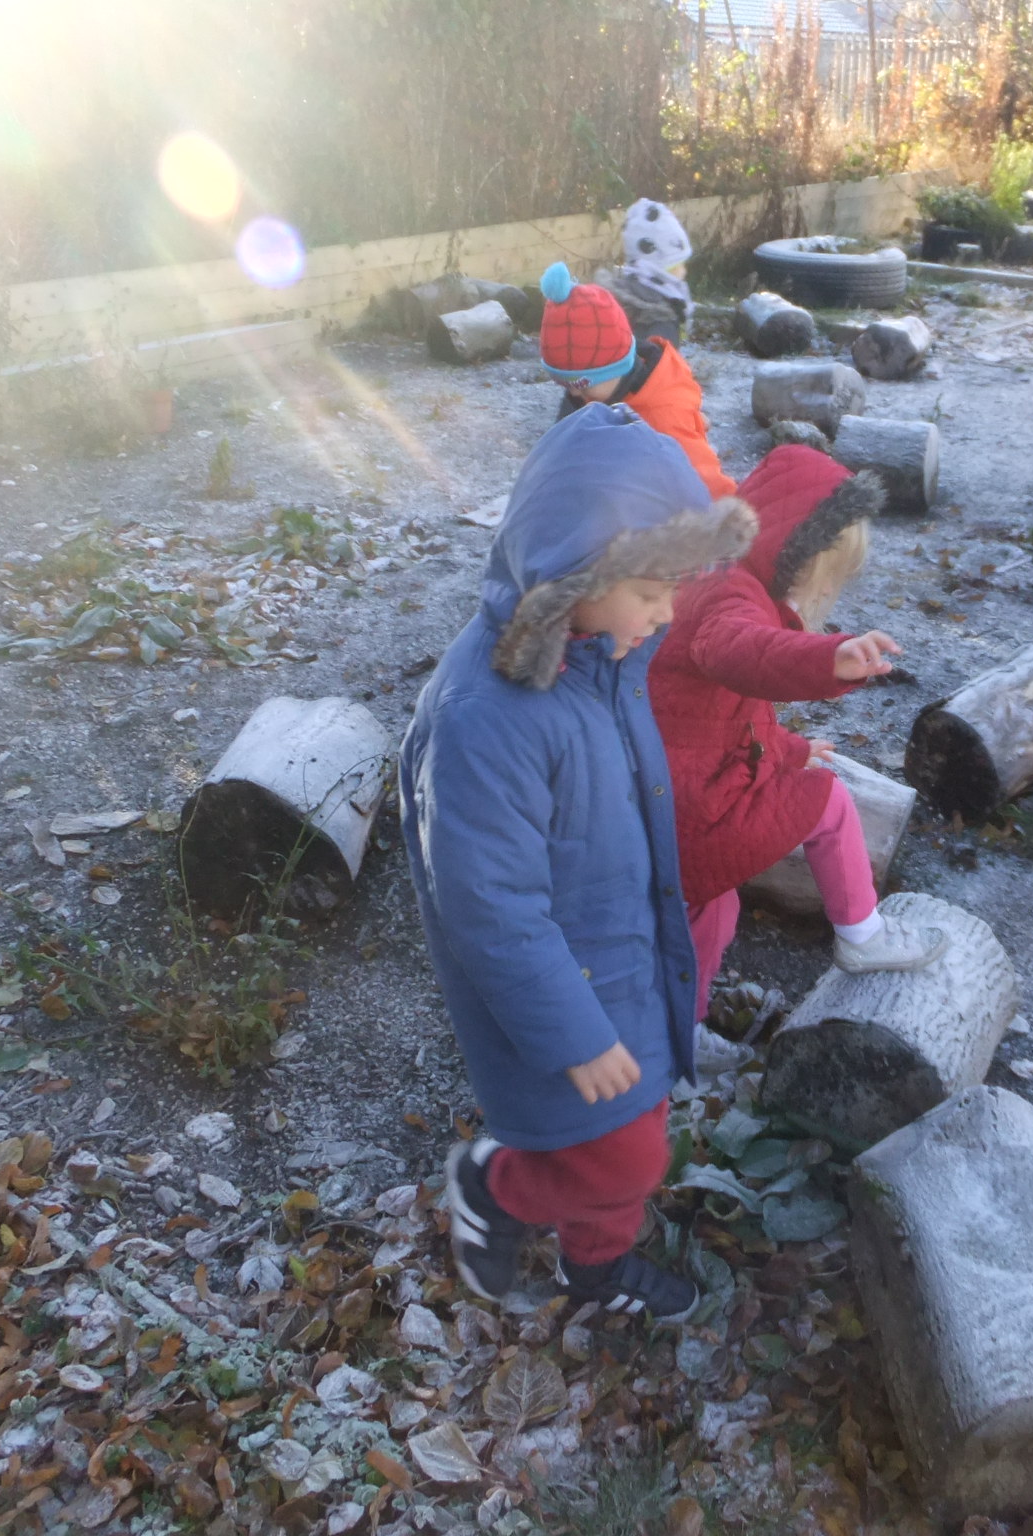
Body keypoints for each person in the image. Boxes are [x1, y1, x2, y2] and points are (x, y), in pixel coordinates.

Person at [401, 403, 755, 1322]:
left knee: (635, 1134)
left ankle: (595, 1258)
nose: (668, 612)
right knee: (626, 1156)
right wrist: (573, 1035)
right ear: (576, 573)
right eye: (652, 590)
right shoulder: (489, 716)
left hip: (617, 949)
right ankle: (500, 1190)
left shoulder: (598, 660)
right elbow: (490, 908)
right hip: (568, 988)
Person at [651, 446, 948, 1012]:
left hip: (665, 783)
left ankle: (680, 1032)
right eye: (825, 575)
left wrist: (787, 750)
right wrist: (826, 657)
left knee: (713, 913)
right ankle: (862, 934)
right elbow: (738, 651)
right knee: (826, 799)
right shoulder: (733, 595)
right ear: (796, 551)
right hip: (688, 803)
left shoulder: (716, 571)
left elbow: (718, 717)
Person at [540, 261, 735, 499]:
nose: (574, 393)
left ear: (615, 369)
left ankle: (695, 422)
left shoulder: (662, 420)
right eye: (564, 384)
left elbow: (707, 485)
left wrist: (726, 512)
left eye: (581, 384)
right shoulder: (601, 388)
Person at [595, 198, 695, 346]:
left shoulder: (628, 296)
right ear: (655, 270)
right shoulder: (660, 318)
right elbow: (660, 359)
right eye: (676, 265)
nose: (683, 271)